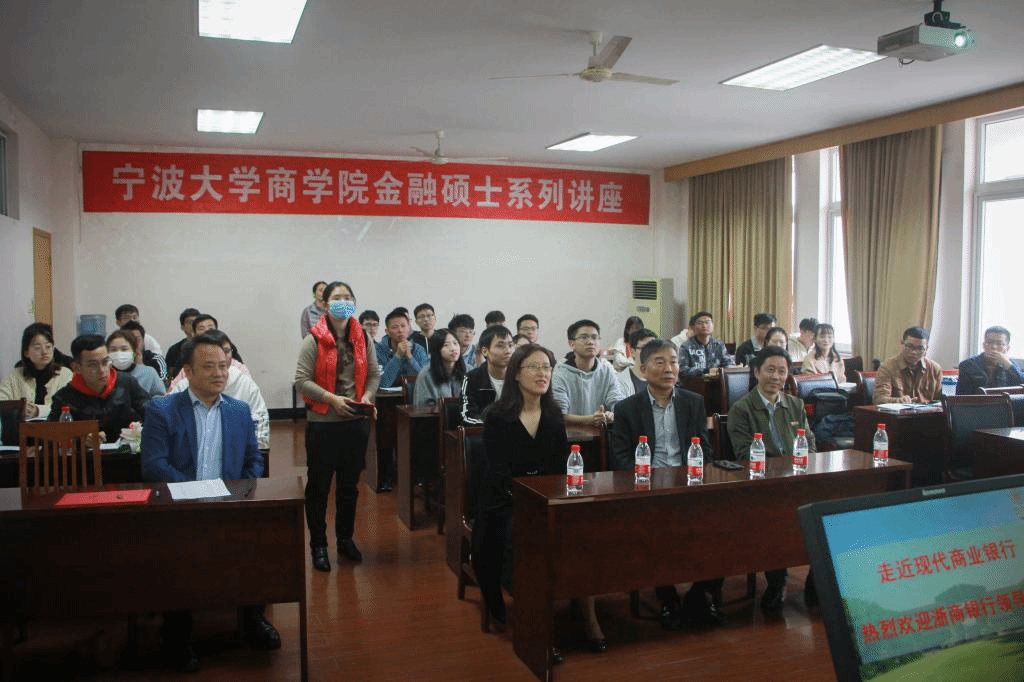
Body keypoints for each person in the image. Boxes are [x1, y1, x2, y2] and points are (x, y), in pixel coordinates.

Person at [140, 334, 277, 672]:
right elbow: (154, 465)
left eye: (223, 366)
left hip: (228, 506)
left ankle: (252, 617)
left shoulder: (239, 411)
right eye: (209, 367)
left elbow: (254, 460)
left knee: (262, 540)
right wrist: (197, 491)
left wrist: (239, 492)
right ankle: (177, 632)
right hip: (179, 509)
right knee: (178, 552)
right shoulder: (162, 410)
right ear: (187, 371)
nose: (219, 374)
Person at [473, 344, 607, 655]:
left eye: (547, 367)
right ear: (516, 374)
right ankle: (538, 625)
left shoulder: (553, 416)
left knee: (583, 533)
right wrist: (531, 499)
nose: (543, 373)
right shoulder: (496, 416)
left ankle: (588, 616)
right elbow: (499, 472)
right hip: (505, 503)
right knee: (526, 538)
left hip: (547, 499)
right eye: (534, 367)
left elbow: (559, 468)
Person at [611, 339, 725, 629]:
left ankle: (701, 593)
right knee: (656, 530)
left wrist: (699, 476)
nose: (669, 368)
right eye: (659, 362)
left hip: (689, 484)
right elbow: (621, 458)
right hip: (648, 489)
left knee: (722, 523)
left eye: (673, 361)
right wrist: (644, 481)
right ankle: (667, 596)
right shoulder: (627, 408)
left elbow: (705, 449)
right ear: (643, 369)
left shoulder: (693, 401)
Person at [295, 281, 381, 572]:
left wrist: (367, 396)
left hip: (355, 423)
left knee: (348, 487)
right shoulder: (314, 339)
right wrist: (331, 399)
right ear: (325, 303)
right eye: (337, 297)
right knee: (319, 488)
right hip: (323, 424)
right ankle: (318, 545)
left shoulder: (363, 337)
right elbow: (301, 381)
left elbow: (374, 373)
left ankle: (345, 539)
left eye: (348, 297)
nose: (343, 301)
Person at [727, 346, 816, 614]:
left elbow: (810, 445)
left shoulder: (795, 405)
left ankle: (817, 581)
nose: (776, 377)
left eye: (782, 371)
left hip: (798, 480)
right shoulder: (742, 409)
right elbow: (744, 454)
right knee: (776, 516)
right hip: (762, 485)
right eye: (770, 370)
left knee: (826, 508)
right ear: (756, 372)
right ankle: (777, 583)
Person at [169, 330, 270, 449]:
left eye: (226, 351)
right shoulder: (184, 385)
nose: (220, 355)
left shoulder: (245, 384)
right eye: (209, 366)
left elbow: (261, 425)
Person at [48, 334, 149, 442]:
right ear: (76, 367)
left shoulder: (127, 383)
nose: (102, 370)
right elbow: (50, 437)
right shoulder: (64, 398)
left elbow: (151, 413)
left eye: (105, 362)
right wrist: (81, 440)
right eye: (93, 365)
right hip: (87, 452)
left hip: (128, 450)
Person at [551, 320, 624, 427]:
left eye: (594, 337)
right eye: (584, 337)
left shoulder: (606, 370)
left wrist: (612, 414)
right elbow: (559, 415)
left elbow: (618, 403)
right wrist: (590, 419)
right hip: (569, 433)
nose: (590, 342)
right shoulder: (560, 373)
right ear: (572, 344)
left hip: (601, 432)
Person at [0, 323, 73, 420]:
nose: (44, 352)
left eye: (48, 346)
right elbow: (2, 403)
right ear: (26, 352)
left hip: (55, 428)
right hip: (23, 428)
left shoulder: (65, 374)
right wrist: (20, 408)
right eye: (37, 348)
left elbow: (67, 407)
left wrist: (37, 410)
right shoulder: (14, 376)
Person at [873, 327, 943, 405]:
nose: (914, 352)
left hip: (929, 412)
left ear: (926, 349)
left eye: (920, 348)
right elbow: (879, 399)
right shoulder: (888, 367)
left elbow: (941, 399)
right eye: (909, 346)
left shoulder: (935, 369)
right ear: (902, 344)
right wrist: (899, 401)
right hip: (900, 412)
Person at [461, 325, 514, 424]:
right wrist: (493, 428)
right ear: (485, 351)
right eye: (500, 346)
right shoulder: (471, 379)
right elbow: (467, 416)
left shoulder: (519, 377)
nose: (508, 351)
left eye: (510, 345)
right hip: (483, 431)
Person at [956, 326, 1024, 395]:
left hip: (1006, 401)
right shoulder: (968, 365)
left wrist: (1009, 366)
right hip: (977, 401)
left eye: (999, 344)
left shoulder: (1013, 366)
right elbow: (961, 397)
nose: (994, 347)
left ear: (1007, 348)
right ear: (983, 345)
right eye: (990, 342)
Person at [376, 307, 428, 388]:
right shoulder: (378, 350)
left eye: (403, 326)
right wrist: (397, 356)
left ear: (409, 329)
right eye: (395, 327)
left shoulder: (418, 349)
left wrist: (410, 357)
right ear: (387, 331)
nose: (400, 330)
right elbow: (383, 383)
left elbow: (425, 381)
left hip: (413, 394)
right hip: (386, 395)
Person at [413, 329, 465, 407]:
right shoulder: (426, 375)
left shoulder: (469, 371)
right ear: (437, 350)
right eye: (446, 345)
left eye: (455, 343)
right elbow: (423, 407)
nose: (453, 348)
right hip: (437, 414)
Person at [106, 329, 165, 398]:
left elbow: (161, 398)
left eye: (124, 349)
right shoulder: (104, 375)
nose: (119, 353)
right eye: (113, 350)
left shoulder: (149, 373)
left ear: (134, 352)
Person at [677, 312, 735, 378]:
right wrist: (706, 371)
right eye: (700, 323)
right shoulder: (686, 346)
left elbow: (729, 364)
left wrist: (719, 371)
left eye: (708, 322)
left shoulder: (719, 345)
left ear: (713, 326)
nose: (704, 325)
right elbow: (682, 370)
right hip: (694, 382)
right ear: (693, 327)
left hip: (716, 382)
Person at [614, 328, 657, 397]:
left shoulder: (662, 378)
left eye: (653, 348)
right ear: (632, 351)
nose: (649, 352)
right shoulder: (620, 381)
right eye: (644, 348)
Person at [164, 307, 200, 379]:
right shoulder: (174, 350)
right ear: (182, 327)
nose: (194, 325)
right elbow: (170, 376)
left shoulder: (209, 347)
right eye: (190, 322)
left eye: (196, 322)